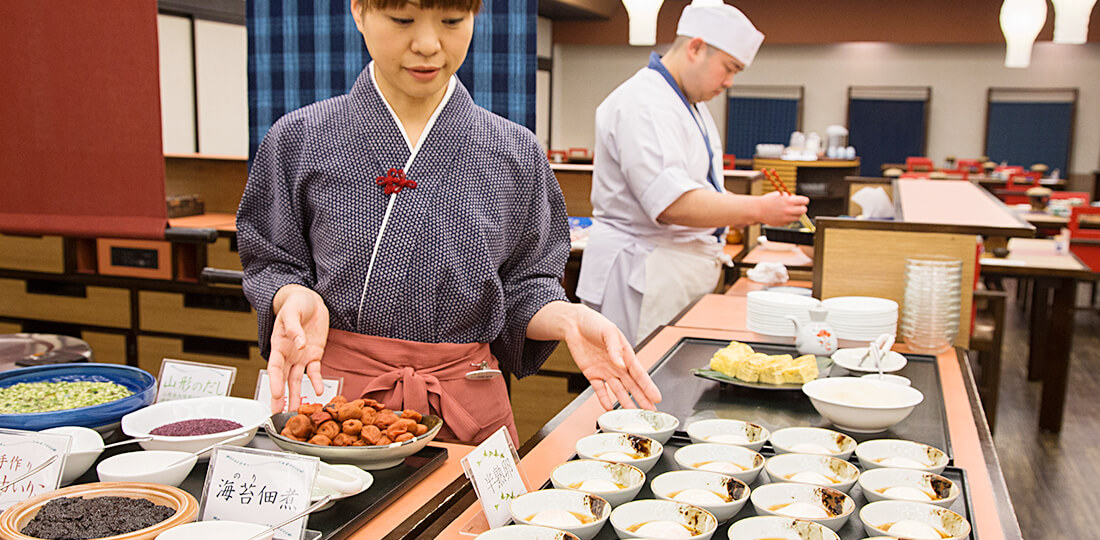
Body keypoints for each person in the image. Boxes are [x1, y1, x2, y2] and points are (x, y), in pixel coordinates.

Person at [237, 0, 660, 446]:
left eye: (452, 22)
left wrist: (569, 319)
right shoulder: (299, 139)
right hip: (336, 411)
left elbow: (526, 284)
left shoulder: (515, 151)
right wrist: (292, 294)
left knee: (471, 518)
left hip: (465, 404)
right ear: (359, 12)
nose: (428, 44)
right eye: (402, 21)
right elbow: (271, 259)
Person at [577, 3, 809, 345]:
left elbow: (699, 187)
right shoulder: (644, 102)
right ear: (695, 47)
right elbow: (672, 203)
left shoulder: (688, 104)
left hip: (668, 269)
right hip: (641, 271)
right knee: (633, 389)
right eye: (729, 68)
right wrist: (758, 209)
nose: (729, 82)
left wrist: (743, 210)